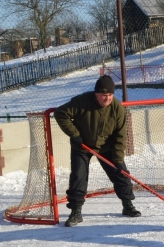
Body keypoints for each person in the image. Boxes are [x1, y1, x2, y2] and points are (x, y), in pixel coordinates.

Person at [53, 75, 141, 227]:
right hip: (82, 146)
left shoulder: (117, 108)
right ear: (96, 94)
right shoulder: (82, 102)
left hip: (106, 147)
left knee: (121, 174)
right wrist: (75, 135)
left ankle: (127, 205)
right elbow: (61, 113)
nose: (107, 99)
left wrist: (118, 160)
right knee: (78, 177)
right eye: (104, 95)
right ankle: (76, 211)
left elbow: (120, 136)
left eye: (110, 95)